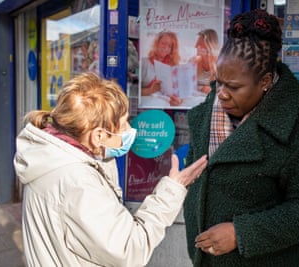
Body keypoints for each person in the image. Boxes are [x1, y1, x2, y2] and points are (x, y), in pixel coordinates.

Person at [183, 9, 299, 267]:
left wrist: (241, 233)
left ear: (265, 81)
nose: (221, 94)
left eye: (233, 87)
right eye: (218, 82)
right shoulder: (213, 105)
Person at [13, 72, 207, 267]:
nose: (129, 129)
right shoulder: (78, 182)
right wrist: (173, 189)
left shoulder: (49, 156)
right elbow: (130, 248)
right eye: (123, 124)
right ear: (98, 136)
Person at [141, 30, 183, 106]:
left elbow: (179, 93)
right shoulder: (144, 62)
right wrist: (150, 90)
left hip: (167, 105)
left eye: (169, 46)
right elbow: (135, 91)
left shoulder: (174, 67)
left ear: (171, 50)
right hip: (148, 104)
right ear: (157, 43)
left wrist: (178, 101)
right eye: (163, 43)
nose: (165, 47)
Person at [189, 29, 219, 94]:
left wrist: (213, 89)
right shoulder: (193, 61)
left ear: (209, 45)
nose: (196, 46)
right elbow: (185, 83)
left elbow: (228, 87)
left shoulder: (220, 64)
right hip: (194, 97)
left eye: (199, 44)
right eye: (197, 43)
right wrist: (201, 88)